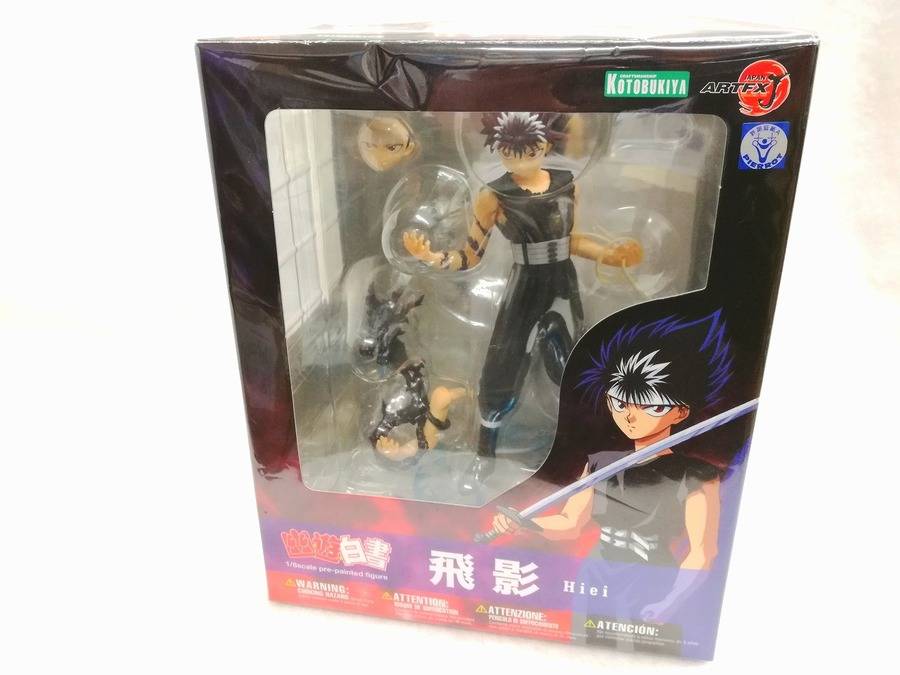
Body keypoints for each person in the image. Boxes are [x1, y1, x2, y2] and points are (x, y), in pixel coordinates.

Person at [404, 112, 641, 492]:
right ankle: (485, 452)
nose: (519, 160)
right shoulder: (494, 194)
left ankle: (590, 443)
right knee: (503, 366)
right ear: (499, 150)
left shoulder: (566, 184)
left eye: (528, 151)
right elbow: (471, 253)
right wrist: (433, 258)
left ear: (545, 145)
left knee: (573, 364)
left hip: (563, 284)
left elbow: (573, 240)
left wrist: (609, 255)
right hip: (525, 287)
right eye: (509, 153)